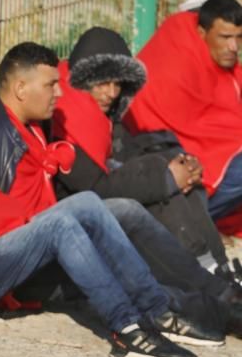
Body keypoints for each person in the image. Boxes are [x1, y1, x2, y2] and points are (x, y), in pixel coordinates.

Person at [0, 44, 217, 357]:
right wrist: (37, 220)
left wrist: (36, 218)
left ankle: (156, 310)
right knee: (61, 223)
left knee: (86, 204)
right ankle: (128, 330)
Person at [49, 27, 242, 320]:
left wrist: (181, 166)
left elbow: (123, 152)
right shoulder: (69, 116)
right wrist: (165, 178)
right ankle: (208, 278)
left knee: (169, 165)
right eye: (103, 83)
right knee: (161, 183)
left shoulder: (98, 112)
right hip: (73, 218)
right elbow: (93, 188)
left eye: (118, 84)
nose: (112, 93)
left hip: (100, 201)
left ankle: (217, 268)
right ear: (84, 78)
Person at [124, 0, 242, 221]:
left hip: (199, 148)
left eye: (239, 38)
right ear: (201, 32)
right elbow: (192, 128)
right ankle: (197, 221)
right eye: (225, 37)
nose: (233, 47)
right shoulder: (177, 64)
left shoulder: (208, 53)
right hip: (165, 157)